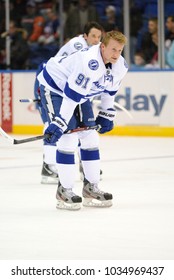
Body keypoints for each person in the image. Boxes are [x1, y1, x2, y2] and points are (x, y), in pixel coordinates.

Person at [37, 30, 128, 210]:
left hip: (79, 91)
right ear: (102, 47)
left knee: (90, 136)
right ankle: (64, 190)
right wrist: (60, 123)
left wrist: (106, 114)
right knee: (68, 136)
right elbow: (71, 97)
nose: (116, 54)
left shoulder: (120, 65)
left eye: (120, 50)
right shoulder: (89, 64)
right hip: (55, 86)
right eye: (113, 50)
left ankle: (90, 187)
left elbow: (109, 93)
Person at [34, 21, 103, 184]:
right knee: (56, 122)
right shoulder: (78, 45)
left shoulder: (94, 51)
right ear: (85, 36)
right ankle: (49, 166)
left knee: (81, 126)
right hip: (51, 81)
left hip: (68, 84)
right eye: (93, 36)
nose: (96, 40)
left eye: (99, 37)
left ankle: (84, 165)